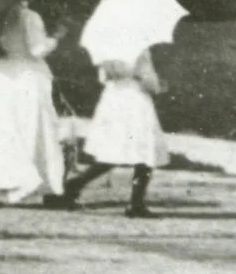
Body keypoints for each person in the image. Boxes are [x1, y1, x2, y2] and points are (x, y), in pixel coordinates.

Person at [0, 0, 68, 209]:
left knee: (7, 132)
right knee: (38, 131)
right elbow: (37, 50)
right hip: (28, 76)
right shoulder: (28, 17)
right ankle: (50, 190)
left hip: (4, 75)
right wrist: (56, 37)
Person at [57, 46, 168, 217]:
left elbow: (102, 77)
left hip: (113, 96)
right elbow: (148, 79)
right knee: (145, 149)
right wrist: (158, 86)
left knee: (114, 149)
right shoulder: (138, 47)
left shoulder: (107, 48)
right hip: (134, 97)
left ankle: (75, 184)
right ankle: (136, 203)